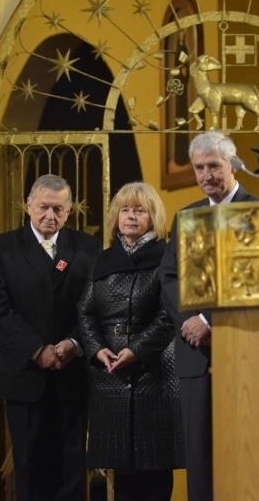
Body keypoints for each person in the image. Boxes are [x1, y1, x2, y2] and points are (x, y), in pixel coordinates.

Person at [158, 131, 259, 501]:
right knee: (200, 462)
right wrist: (192, 322)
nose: (206, 175)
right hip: (195, 356)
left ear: (233, 166)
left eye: (214, 166)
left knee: (248, 455)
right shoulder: (186, 216)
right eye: (199, 168)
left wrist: (210, 320)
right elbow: (169, 276)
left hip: (246, 352)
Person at [0, 174, 100, 501]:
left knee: (72, 464)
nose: (50, 215)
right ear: (28, 205)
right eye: (43, 207)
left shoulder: (86, 246)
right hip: (24, 373)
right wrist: (38, 350)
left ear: (70, 210)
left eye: (58, 209)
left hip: (71, 371)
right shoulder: (1, 247)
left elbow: (93, 304)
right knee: (30, 464)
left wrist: (72, 344)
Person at [78, 182, 184, 501]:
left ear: (153, 216)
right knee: (121, 473)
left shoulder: (167, 255)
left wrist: (136, 351)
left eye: (140, 210)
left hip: (154, 373)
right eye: (124, 210)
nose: (131, 216)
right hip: (109, 373)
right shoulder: (104, 259)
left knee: (154, 468)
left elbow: (169, 314)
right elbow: (85, 310)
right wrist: (98, 349)